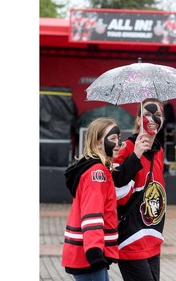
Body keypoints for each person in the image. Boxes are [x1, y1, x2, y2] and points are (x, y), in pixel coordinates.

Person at [112, 98, 166, 281]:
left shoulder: (159, 151)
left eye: (157, 115)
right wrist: (136, 154)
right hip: (131, 238)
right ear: (137, 119)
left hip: (153, 236)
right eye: (147, 114)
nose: (152, 118)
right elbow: (115, 185)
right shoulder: (126, 147)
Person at [62, 117, 122, 281]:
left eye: (119, 138)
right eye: (112, 139)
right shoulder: (97, 173)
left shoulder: (98, 169)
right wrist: (95, 252)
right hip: (88, 256)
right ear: (97, 144)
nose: (118, 143)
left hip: (88, 253)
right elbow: (92, 214)